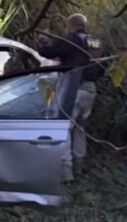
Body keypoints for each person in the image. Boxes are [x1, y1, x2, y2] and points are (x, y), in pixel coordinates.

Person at [36, 13, 104, 182]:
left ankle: (66, 172)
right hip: (91, 89)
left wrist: (43, 40)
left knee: (63, 128)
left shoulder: (72, 39)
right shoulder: (96, 42)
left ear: (70, 25)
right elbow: (102, 67)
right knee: (80, 128)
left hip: (73, 88)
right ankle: (80, 165)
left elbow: (48, 53)